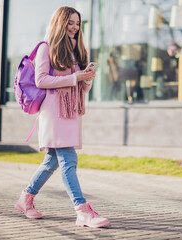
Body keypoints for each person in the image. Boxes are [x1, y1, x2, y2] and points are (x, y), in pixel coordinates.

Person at [15, 6, 110, 228]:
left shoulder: (77, 51)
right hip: (54, 112)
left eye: (77, 23)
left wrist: (86, 78)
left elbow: (82, 88)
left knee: (51, 162)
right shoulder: (45, 48)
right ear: (60, 23)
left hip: (71, 112)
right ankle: (82, 211)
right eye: (70, 23)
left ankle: (25, 199)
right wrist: (75, 77)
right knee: (68, 160)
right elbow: (41, 81)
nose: (75, 27)